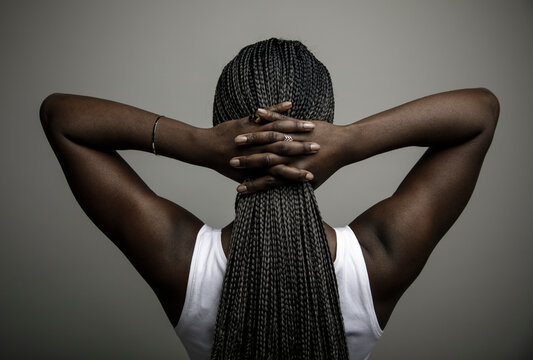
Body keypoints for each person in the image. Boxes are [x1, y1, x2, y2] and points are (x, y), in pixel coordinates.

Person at [40, 38, 499, 360]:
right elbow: (480, 111)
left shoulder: (179, 259)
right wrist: (352, 142)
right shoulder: (379, 257)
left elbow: (61, 117)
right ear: (325, 125)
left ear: (225, 129)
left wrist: (194, 144)